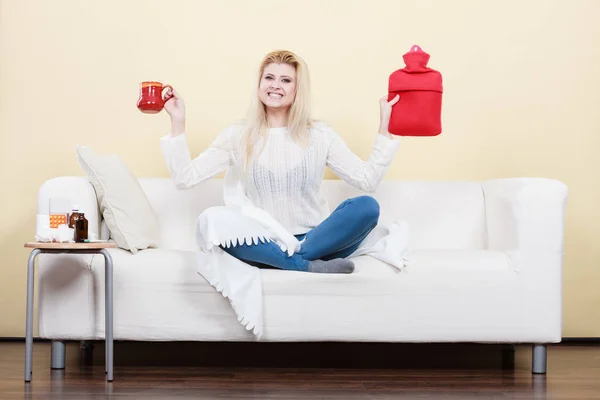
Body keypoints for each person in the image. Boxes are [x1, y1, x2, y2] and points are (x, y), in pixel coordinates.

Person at [160, 50, 401, 274]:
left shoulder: (320, 135)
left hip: (318, 240)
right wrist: (177, 121)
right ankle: (304, 266)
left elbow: (367, 180)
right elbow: (185, 178)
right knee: (210, 220)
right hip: (262, 240)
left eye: (286, 80)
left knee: (367, 206)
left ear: (298, 89)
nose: (275, 85)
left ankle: (294, 259)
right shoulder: (238, 135)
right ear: (259, 84)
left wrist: (385, 126)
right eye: (269, 78)